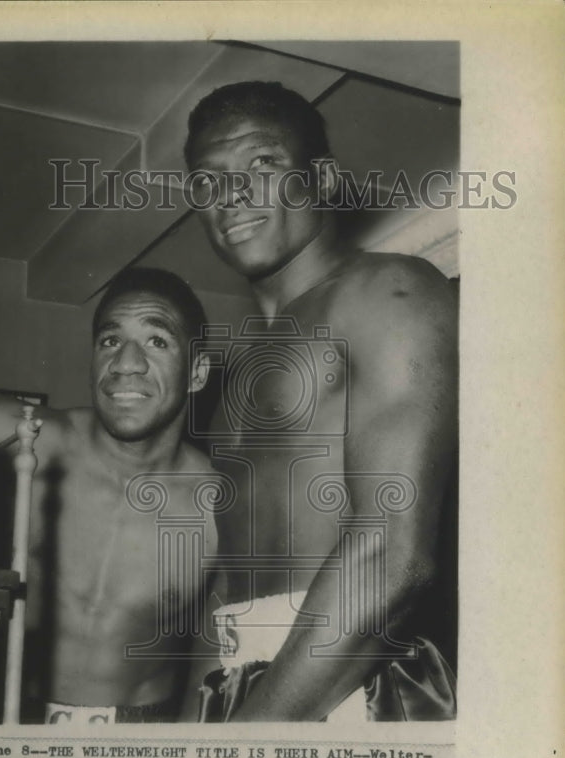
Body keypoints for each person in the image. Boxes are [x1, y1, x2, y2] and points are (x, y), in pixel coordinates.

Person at [182, 81, 458, 722]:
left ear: (324, 180)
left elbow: (392, 556)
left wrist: (247, 744)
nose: (231, 195)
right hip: (243, 687)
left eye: (262, 163)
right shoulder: (240, 371)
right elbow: (228, 581)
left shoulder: (388, 291)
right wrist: (192, 735)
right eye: (207, 180)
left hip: (348, 680)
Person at [0, 267, 215, 723]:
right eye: (110, 340)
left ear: (197, 371)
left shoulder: (218, 505)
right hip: (13, 715)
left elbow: (216, 654)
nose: (125, 362)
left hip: (140, 734)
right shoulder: (37, 440)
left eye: (156, 341)